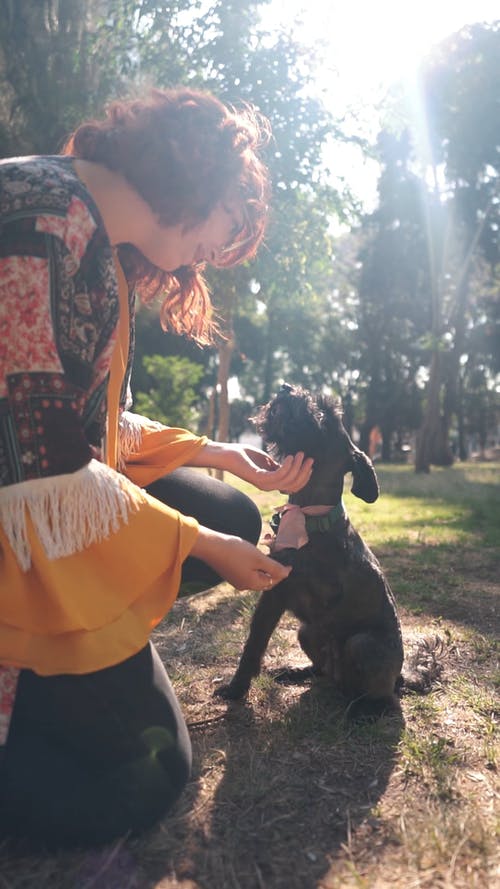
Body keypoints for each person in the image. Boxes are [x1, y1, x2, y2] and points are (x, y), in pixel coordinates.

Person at [0, 87, 313, 849]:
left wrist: (217, 451)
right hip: (21, 515)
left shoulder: (93, 232)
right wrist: (201, 545)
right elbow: (41, 462)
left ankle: (77, 668)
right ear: (196, 178)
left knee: (230, 508)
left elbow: (89, 417)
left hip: (36, 496)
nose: (219, 251)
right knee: (149, 775)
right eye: (228, 227)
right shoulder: (43, 219)